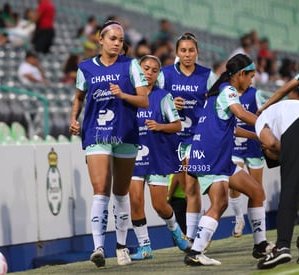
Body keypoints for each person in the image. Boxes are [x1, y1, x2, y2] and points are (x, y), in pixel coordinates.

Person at [69, 20, 149, 268]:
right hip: (96, 133)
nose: (117, 43)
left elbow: (144, 101)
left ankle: (121, 245)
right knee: (101, 187)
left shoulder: (131, 65)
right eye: (112, 38)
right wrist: (73, 118)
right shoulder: (85, 68)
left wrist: (123, 95)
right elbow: (79, 97)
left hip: (125, 133)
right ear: (100, 39)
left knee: (121, 192)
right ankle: (98, 248)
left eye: (120, 40)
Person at [184, 53, 272, 266]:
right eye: (250, 76)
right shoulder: (229, 91)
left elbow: (232, 127)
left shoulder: (217, 94)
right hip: (213, 157)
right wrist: (266, 127)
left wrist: (256, 135)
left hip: (217, 157)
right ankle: (195, 252)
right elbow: (241, 114)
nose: (251, 81)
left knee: (256, 192)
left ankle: (260, 246)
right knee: (220, 203)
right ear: (241, 74)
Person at [128, 55, 188, 261]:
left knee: (159, 205)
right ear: (138, 69)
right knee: (135, 200)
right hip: (134, 156)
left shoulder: (164, 97)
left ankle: (176, 231)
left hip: (157, 157)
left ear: (158, 74)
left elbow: (178, 125)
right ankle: (145, 247)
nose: (149, 73)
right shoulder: (130, 95)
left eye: (154, 70)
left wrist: (160, 126)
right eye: (146, 68)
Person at [160, 32, 217, 245]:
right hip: (174, 140)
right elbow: (153, 99)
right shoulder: (165, 75)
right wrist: (169, 104)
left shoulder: (207, 76)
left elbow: (215, 104)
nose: (187, 54)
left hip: (197, 138)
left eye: (191, 50)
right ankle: (193, 234)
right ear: (177, 52)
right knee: (187, 187)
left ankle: (193, 237)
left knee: (193, 187)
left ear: (197, 52)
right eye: (183, 50)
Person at [255, 100, 299, 269]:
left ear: (263, 148)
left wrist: (289, 157)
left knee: (290, 189)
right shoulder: (280, 111)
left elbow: (272, 143)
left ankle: (281, 247)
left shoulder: (260, 122)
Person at [229, 85, 267, 238]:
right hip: (235, 145)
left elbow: (263, 114)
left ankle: (258, 229)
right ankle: (239, 219)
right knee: (233, 184)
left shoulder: (255, 94)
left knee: (256, 188)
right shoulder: (228, 95)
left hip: (253, 146)